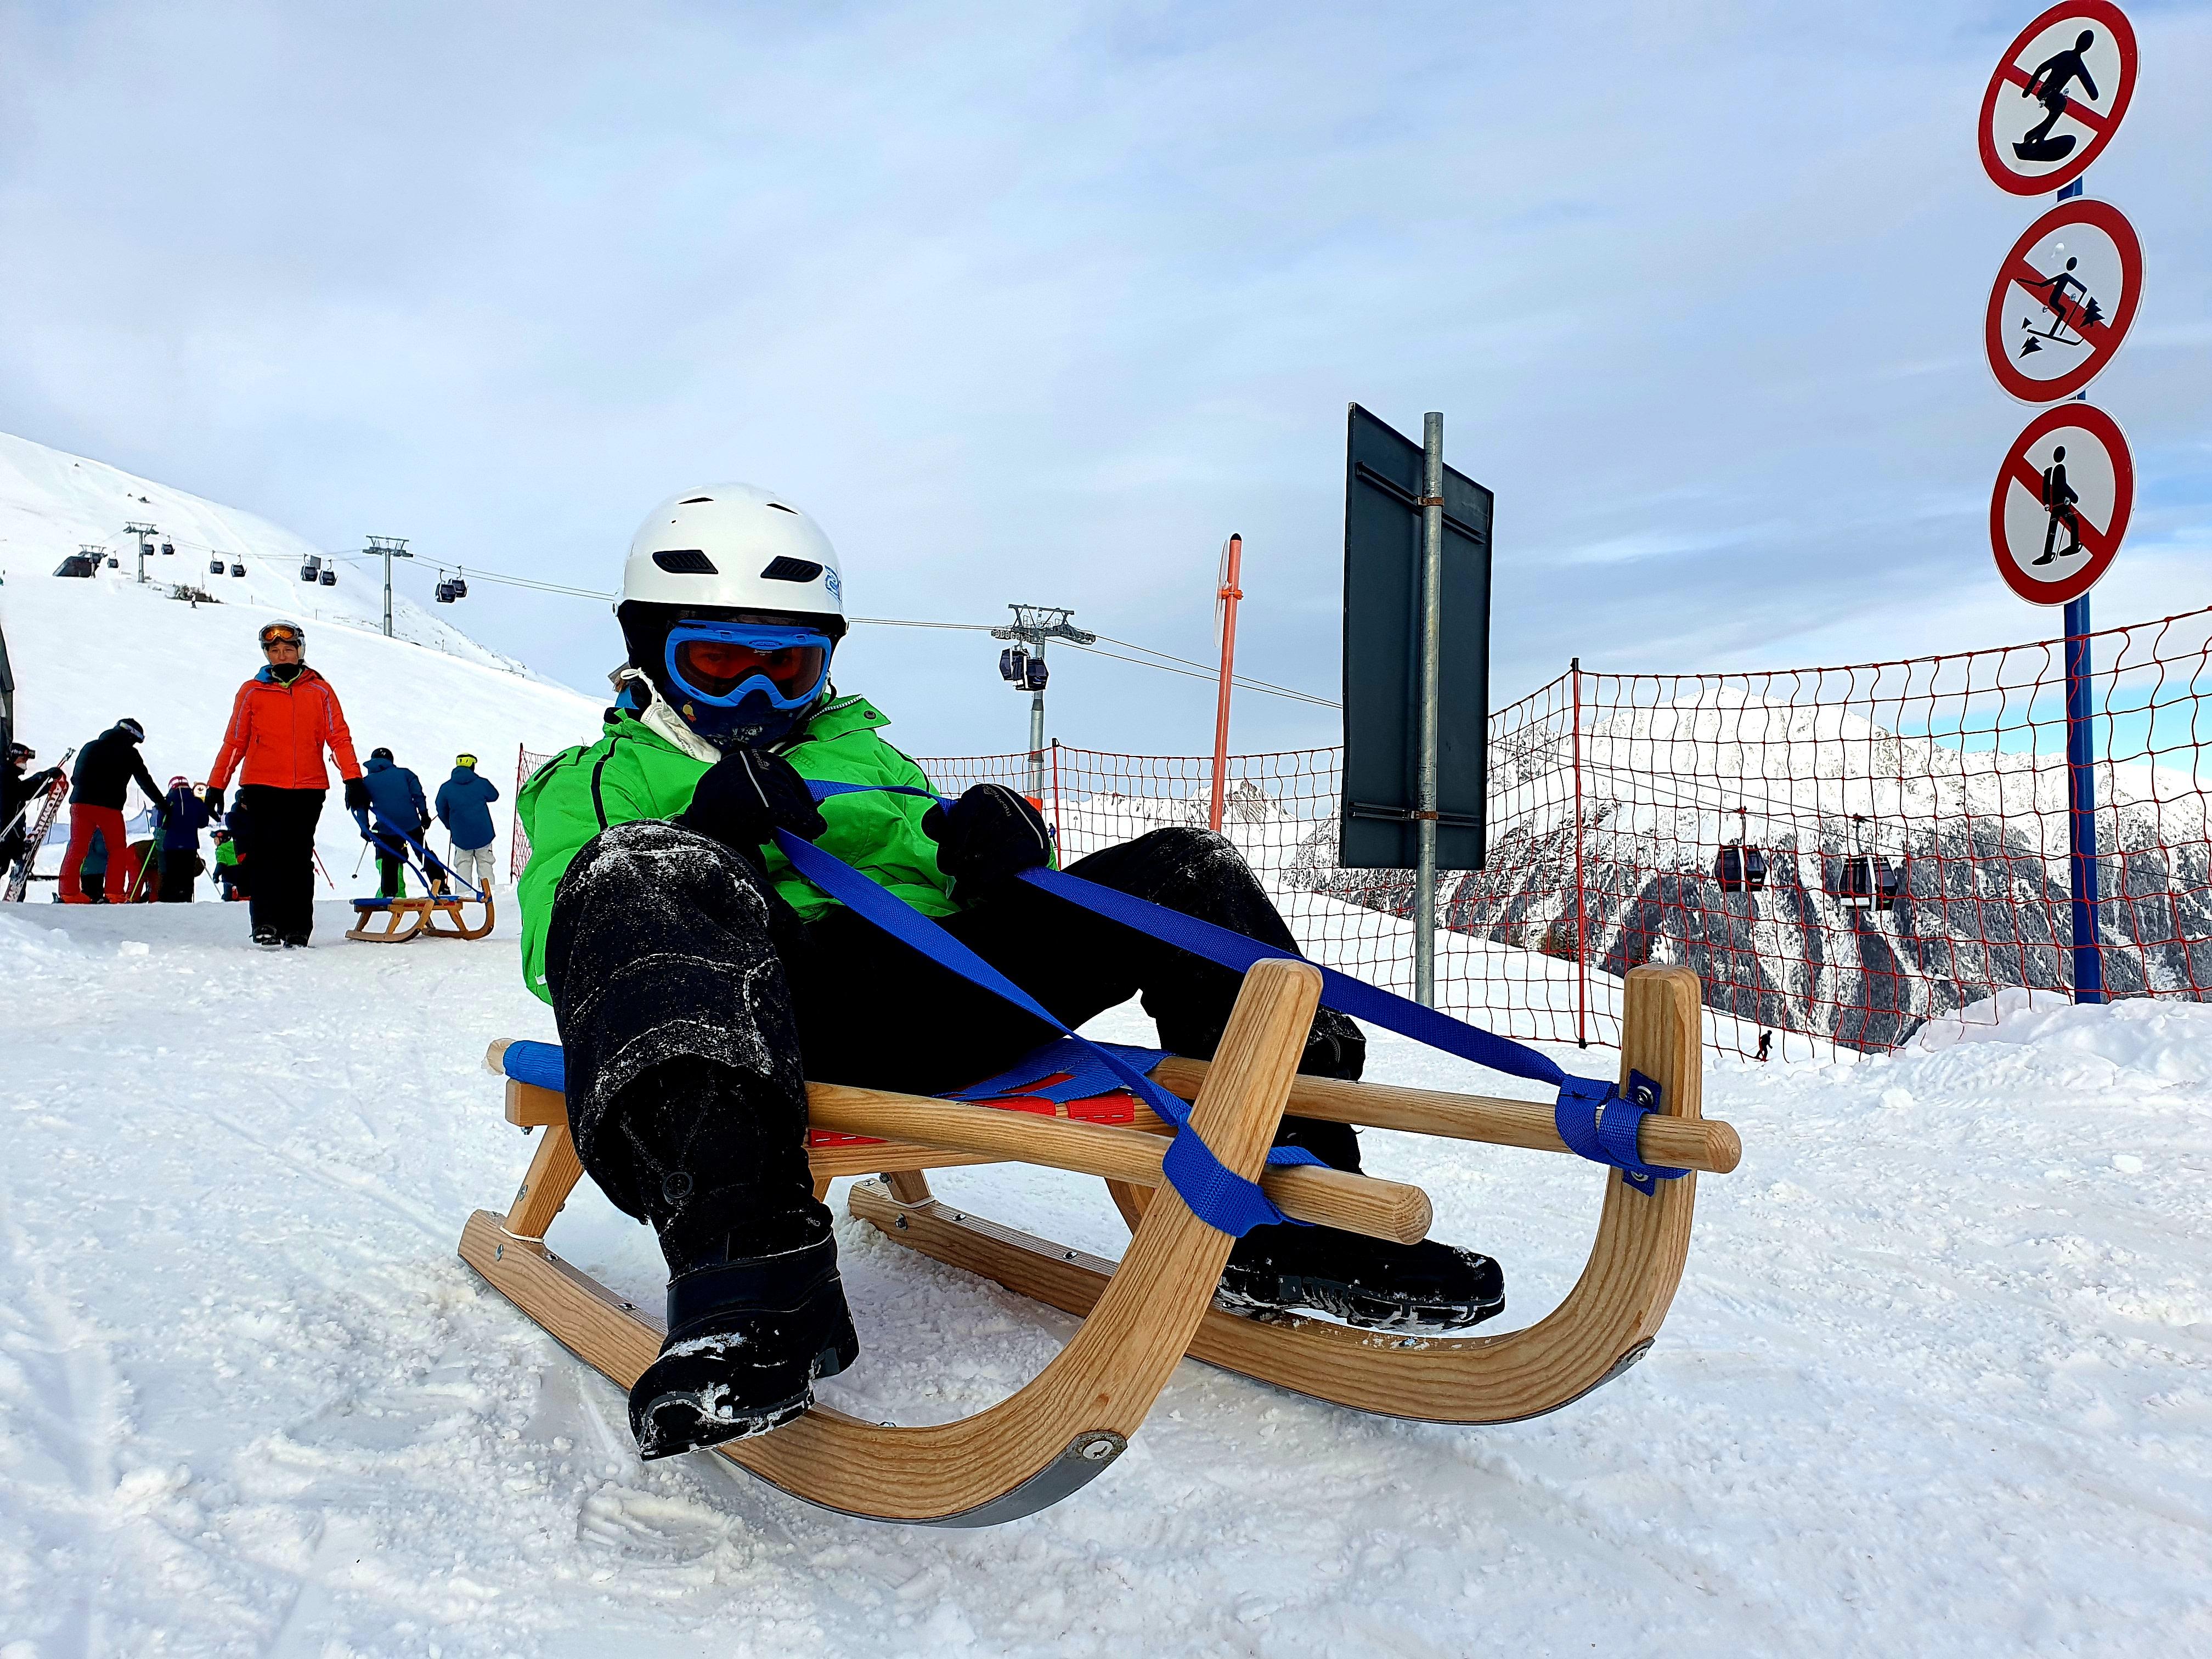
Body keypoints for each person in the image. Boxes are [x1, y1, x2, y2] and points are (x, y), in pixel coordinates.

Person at [517, 484, 1502, 1464]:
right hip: (767, 1022)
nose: (757, 698)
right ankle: (754, 1280)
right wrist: (695, 840)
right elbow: (556, 952)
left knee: (1184, 869)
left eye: (787, 665)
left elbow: (941, 867)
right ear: (650, 650)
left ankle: (1297, 1202)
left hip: (946, 991)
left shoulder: (867, 753)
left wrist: (999, 846)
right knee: (635, 864)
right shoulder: (593, 781)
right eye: (721, 662)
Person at [205, 619, 366, 949]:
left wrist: (353, 778)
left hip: (307, 788)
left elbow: (339, 738)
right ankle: (265, 923)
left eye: (288, 650)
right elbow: (235, 741)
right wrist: (216, 785)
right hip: (261, 786)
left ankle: (297, 928)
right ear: (267, 654)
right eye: (274, 651)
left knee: (297, 857)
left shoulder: (320, 690)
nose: (281, 656)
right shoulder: (251, 691)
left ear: (300, 652)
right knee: (265, 856)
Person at [60, 719, 161, 904]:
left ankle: (69, 893)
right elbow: (145, 782)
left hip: (81, 805)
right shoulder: (130, 754)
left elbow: (76, 777)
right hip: (110, 808)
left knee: (77, 848)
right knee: (117, 850)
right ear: (131, 736)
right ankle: (114, 893)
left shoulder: (90, 747)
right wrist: (161, 804)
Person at [359, 746, 430, 898]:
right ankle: (440, 884)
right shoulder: (405, 774)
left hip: (387, 827)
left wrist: (364, 828)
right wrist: (424, 815)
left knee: (389, 858)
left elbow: (361, 807)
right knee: (423, 853)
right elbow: (418, 795)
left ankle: (389, 893)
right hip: (411, 823)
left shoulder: (366, 782)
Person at [434, 753, 502, 893]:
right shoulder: (481, 783)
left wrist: (450, 825)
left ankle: (463, 897)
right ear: (472, 766)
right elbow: (494, 795)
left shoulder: (446, 788)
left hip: (461, 836)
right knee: (485, 864)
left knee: (463, 866)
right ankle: (488, 895)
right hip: (484, 833)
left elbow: (440, 809)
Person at [3, 741, 65, 890]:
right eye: (23, 761)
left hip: (10, 836)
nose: (25, 765)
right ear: (13, 758)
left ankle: (11, 910)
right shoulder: (4, 776)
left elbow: (22, 792)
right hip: (6, 837)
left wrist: (45, 781)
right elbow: (20, 793)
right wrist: (43, 778)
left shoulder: (8, 776)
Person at [156, 775, 212, 902]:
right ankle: (186, 900)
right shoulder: (197, 801)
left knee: (171, 876)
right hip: (190, 845)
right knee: (187, 877)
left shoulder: (167, 801)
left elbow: (162, 824)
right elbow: (203, 822)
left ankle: (171, 902)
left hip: (171, 845)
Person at [212, 829, 246, 901]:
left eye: (216, 840)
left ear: (222, 839)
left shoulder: (221, 849)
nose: (215, 842)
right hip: (240, 872)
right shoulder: (235, 845)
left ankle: (229, 899)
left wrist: (216, 875)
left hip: (228, 875)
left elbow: (221, 864)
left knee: (228, 894)